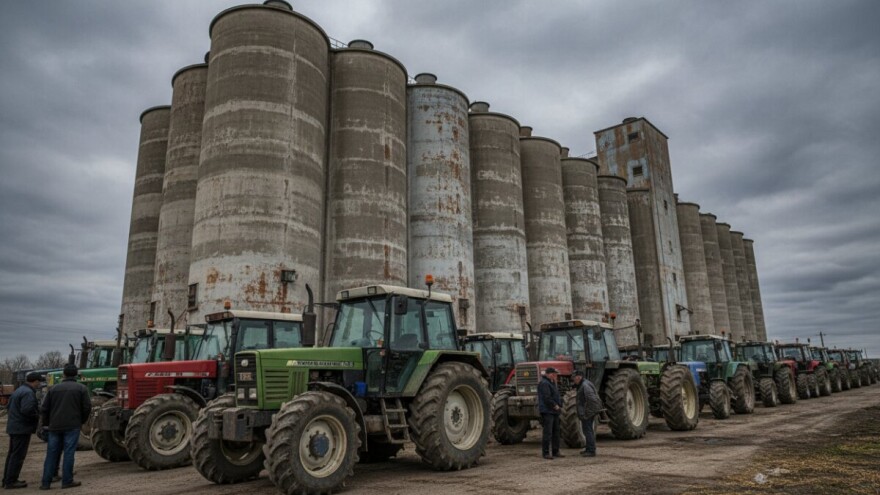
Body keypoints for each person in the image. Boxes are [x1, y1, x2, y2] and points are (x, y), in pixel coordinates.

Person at [39, 364, 90, 490]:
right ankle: (67, 481)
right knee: (69, 453)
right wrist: (81, 421)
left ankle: (46, 483)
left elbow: (44, 409)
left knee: (51, 454)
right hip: (72, 426)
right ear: (76, 375)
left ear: (64, 374)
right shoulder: (81, 388)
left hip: (54, 426)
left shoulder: (53, 389)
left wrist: (46, 423)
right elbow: (87, 407)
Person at [2, 373, 41, 489]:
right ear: (35, 381)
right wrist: (37, 416)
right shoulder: (28, 393)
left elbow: (9, 407)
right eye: (39, 381)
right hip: (22, 428)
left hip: (14, 427)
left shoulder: (18, 391)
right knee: (18, 455)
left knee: (12, 454)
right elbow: (27, 409)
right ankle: (11, 481)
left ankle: (7, 479)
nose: (39, 384)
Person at [573, 370, 603, 457]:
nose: (573, 380)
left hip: (588, 413)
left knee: (588, 431)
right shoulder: (583, 384)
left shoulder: (585, 385)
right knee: (587, 431)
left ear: (579, 377)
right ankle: (588, 448)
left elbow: (592, 400)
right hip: (587, 412)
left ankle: (591, 450)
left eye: (574, 378)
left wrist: (587, 414)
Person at [537, 367, 564, 460]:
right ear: (548, 374)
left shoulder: (552, 383)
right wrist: (555, 405)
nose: (555, 375)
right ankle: (546, 453)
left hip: (554, 411)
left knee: (556, 432)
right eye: (553, 374)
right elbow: (546, 397)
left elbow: (555, 395)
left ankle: (556, 451)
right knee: (548, 433)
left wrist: (559, 405)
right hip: (548, 411)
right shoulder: (544, 383)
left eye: (555, 374)